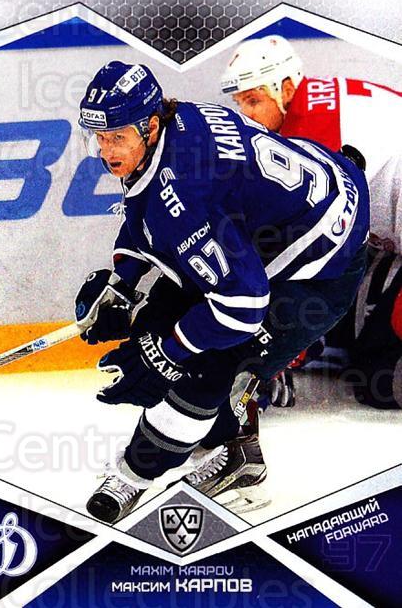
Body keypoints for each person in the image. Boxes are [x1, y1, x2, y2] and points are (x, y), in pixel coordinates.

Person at [75, 60, 369, 524]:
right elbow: (149, 215)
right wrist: (122, 282)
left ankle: (159, 471)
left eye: (118, 137)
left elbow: (243, 306)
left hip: (322, 267)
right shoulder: (175, 126)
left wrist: (170, 351)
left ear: (151, 126)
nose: (106, 150)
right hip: (302, 204)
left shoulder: (185, 193)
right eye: (100, 137)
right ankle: (227, 443)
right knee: (160, 324)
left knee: (209, 365)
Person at [221, 35, 402, 409]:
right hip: (391, 238)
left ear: (286, 89)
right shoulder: (315, 104)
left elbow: (294, 255)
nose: (246, 117)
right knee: (350, 332)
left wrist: (278, 352)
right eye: (240, 104)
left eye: (254, 101)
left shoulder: (307, 137)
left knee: (380, 378)